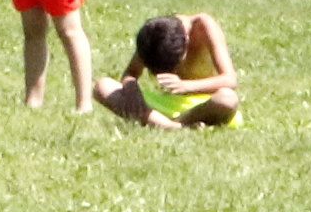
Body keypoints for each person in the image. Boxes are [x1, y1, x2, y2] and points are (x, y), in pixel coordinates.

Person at [97, 12, 241, 129]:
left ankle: (166, 123)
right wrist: (131, 87)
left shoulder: (204, 26)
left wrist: (186, 86)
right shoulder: (155, 36)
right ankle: (175, 126)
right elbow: (131, 73)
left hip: (202, 105)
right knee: (103, 85)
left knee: (228, 99)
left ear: (186, 43)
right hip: (164, 104)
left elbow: (230, 79)